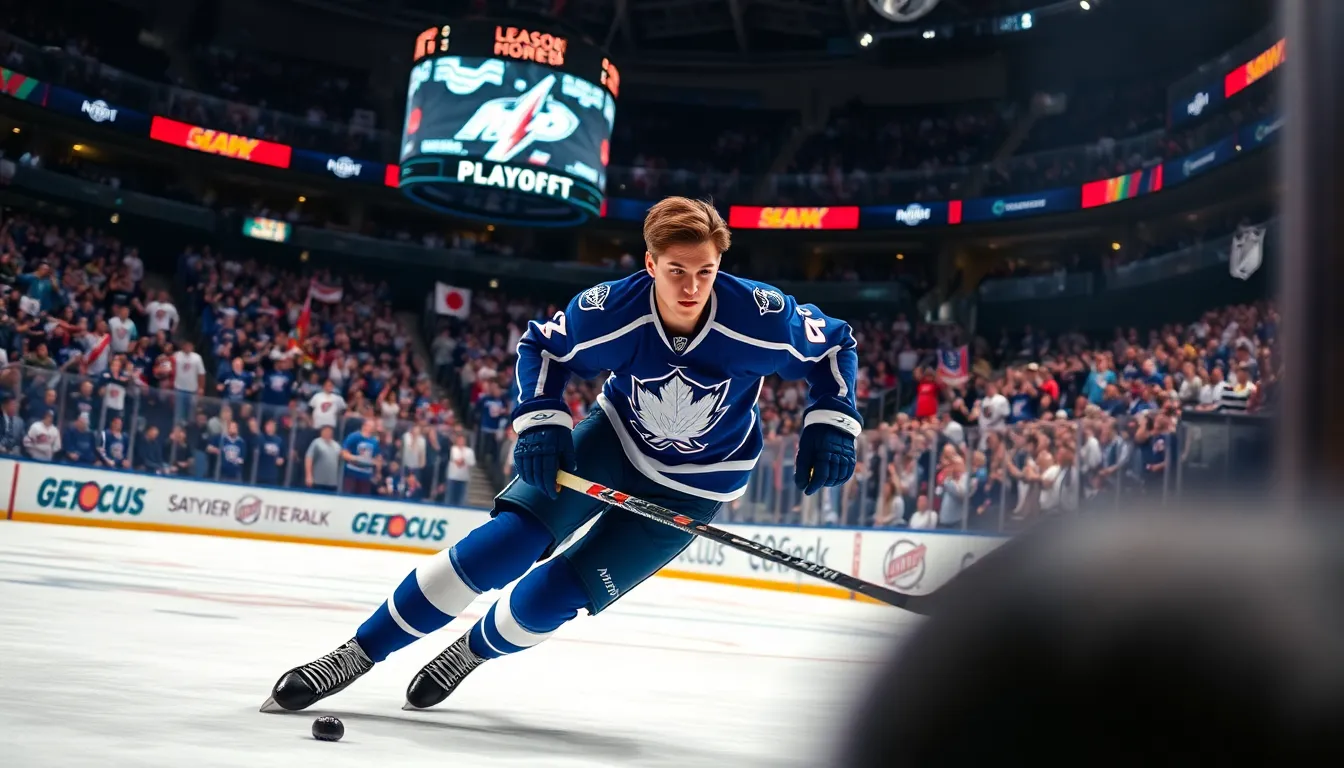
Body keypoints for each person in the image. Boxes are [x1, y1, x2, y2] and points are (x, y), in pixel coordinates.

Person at [263, 196, 862, 712]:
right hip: (615, 442)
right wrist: (542, 421)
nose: (690, 287)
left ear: (720, 265)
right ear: (650, 263)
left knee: (554, 596)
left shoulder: (763, 315)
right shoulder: (611, 310)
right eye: (676, 270)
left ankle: (465, 654)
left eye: (705, 272)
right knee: (505, 545)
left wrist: (833, 421)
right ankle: (356, 653)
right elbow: (541, 348)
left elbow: (835, 345)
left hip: (700, 484)